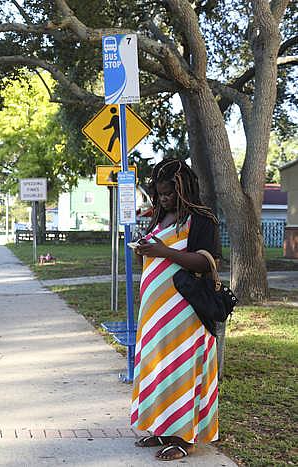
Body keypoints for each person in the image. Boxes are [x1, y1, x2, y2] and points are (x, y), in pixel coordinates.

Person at [130, 158, 221, 461]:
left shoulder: (201, 220)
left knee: (182, 370)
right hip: (156, 314)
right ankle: (162, 428)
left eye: (169, 193)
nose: (164, 198)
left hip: (186, 311)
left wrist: (163, 251)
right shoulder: (161, 216)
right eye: (160, 193)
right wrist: (145, 248)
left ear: (184, 189)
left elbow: (207, 263)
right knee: (159, 368)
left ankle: (186, 439)